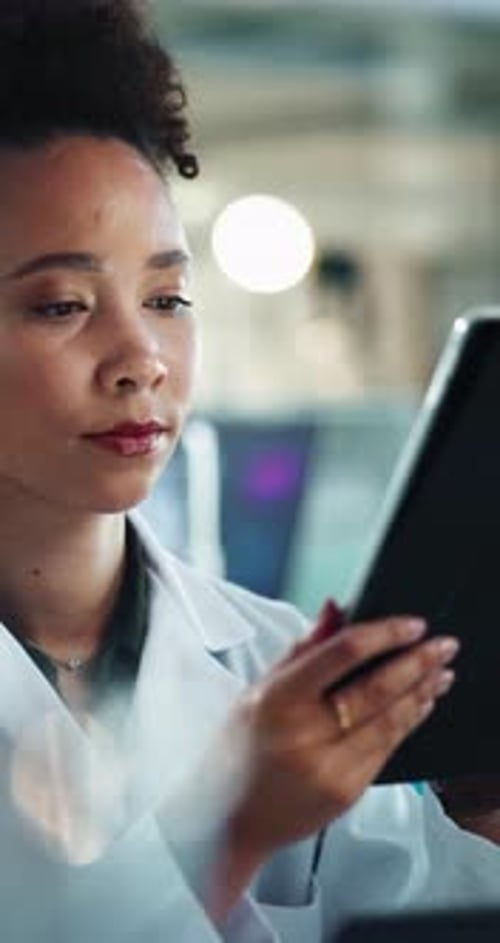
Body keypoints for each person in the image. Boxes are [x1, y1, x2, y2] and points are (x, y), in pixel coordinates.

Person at [0, 2, 498, 941]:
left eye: (167, 296)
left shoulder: (277, 665)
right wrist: (230, 826)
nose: (141, 356)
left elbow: (441, 908)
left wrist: (478, 816)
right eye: (62, 304)